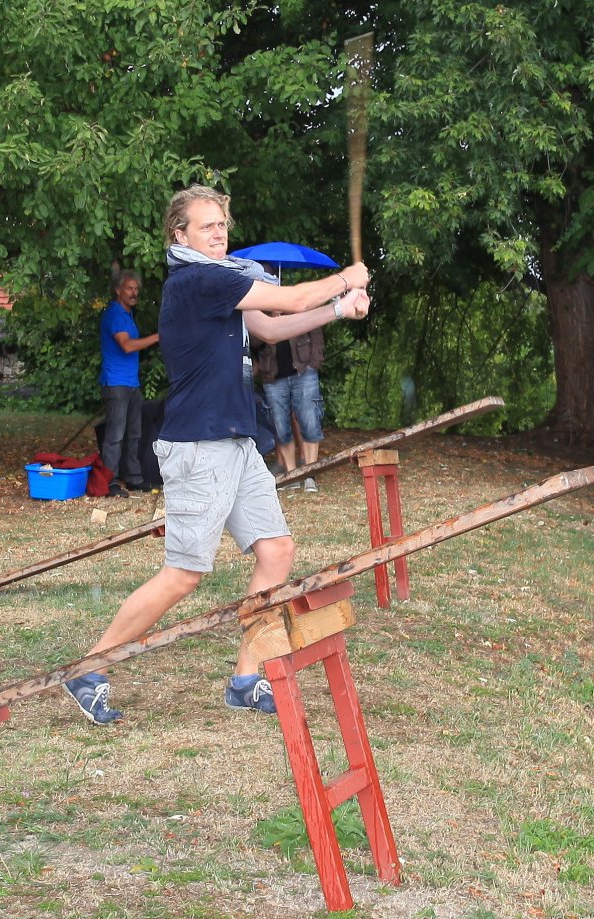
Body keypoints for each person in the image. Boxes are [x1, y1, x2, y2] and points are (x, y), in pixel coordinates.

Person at [64, 186, 371, 724]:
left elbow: (270, 326)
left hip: (236, 440)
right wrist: (346, 278)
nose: (219, 233)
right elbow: (291, 299)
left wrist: (339, 309)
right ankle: (88, 668)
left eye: (222, 224)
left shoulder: (222, 279)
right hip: (198, 445)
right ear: (179, 236)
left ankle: (246, 679)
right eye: (206, 226)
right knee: (184, 573)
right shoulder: (197, 280)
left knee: (276, 550)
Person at [97, 269, 158, 497]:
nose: (134, 293)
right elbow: (127, 345)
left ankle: (133, 478)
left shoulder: (127, 314)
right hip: (116, 382)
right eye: (129, 289)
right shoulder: (115, 314)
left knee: (134, 433)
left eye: (136, 289)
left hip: (131, 382)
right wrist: (158, 336)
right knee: (115, 435)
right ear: (117, 290)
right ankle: (109, 482)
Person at [255, 327, 326, 491]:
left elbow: (314, 328)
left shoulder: (298, 308)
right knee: (280, 428)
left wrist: (315, 362)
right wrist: (269, 320)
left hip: (304, 370)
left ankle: (310, 475)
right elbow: (254, 342)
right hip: (273, 376)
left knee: (310, 423)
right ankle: (291, 475)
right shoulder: (262, 313)